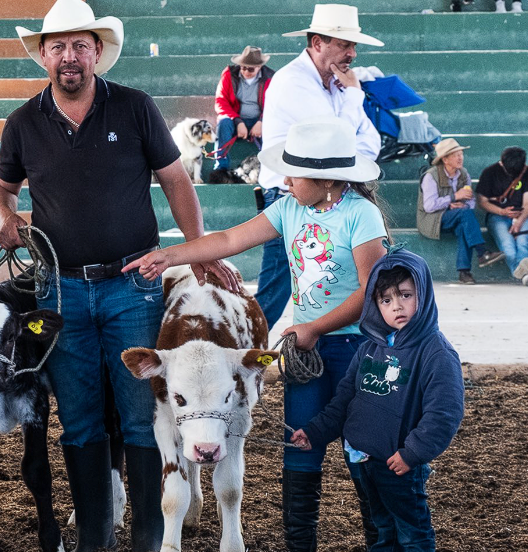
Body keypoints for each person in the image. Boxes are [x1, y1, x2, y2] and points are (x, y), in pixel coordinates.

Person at [0, 0, 233, 552]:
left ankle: (149, 536)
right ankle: (94, 539)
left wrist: (197, 250)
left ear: (98, 53)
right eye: (59, 47)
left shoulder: (135, 107)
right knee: (77, 419)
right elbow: (0, 188)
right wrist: (4, 215)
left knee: (141, 411)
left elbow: (176, 180)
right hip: (61, 288)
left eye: (80, 45)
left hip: (134, 286)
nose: (69, 56)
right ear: (43, 56)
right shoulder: (24, 122)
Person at [126, 116, 389, 552]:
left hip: (356, 346)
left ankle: (383, 538)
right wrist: (169, 254)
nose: (284, 179)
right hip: (309, 351)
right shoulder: (289, 208)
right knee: (299, 443)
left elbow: (371, 289)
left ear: (325, 180)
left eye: (294, 172)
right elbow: (229, 239)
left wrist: (315, 327)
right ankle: (299, 542)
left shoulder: (361, 215)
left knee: (362, 446)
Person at [290, 249, 465, 552]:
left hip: (400, 465)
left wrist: (412, 453)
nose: (397, 306)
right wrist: (316, 433)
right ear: (375, 305)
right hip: (363, 461)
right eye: (386, 300)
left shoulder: (437, 353)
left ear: (423, 292)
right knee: (382, 530)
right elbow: (344, 399)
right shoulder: (370, 347)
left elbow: (444, 413)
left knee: (413, 534)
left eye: (406, 295)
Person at [257, 4, 383, 331]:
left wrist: (348, 127)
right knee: (278, 289)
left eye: (353, 46)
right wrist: (355, 97)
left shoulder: (331, 84)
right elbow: (339, 142)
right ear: (317, 43)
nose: (352, 53)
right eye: (344, 44)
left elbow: (369, 142)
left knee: (311, 282)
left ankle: (248, 351)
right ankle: (242, 354)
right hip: (291, 193)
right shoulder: (293, 82)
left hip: (320, 192)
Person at [416, 138, 505, 283]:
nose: (460, 158)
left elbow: (471, 201)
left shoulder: (463, 174)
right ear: (445, 159)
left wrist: (462, 205)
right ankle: (482, 252)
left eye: (461, 154)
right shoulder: (431, 176)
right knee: (465, 216)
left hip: (458, 216)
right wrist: (453, 198)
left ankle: (464, 273)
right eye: (456, 155)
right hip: (432, 220)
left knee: (465, 223)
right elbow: (429, 206)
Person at [476, 146, 528, 286]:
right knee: (507, 244)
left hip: (524, 215)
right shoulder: (489, 173)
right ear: (502, 163)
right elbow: (482, 202)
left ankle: (522, 273)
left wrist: (519, 222)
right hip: (497, 216)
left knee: (523, 242)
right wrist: (502, 212)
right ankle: (526, 274)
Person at [213, 45, 274, 171]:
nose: (246, 72)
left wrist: (262, 121)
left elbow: (275, 105)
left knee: (274, 127)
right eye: (243, 67)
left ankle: (270, 168)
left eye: (250, 69)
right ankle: (221, 168)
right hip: (235, 120)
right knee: (223, 123)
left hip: (260, 121)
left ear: (259, 67)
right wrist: (238, 121)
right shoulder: (229, 74)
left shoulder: (270, 78)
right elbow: (221, 101)